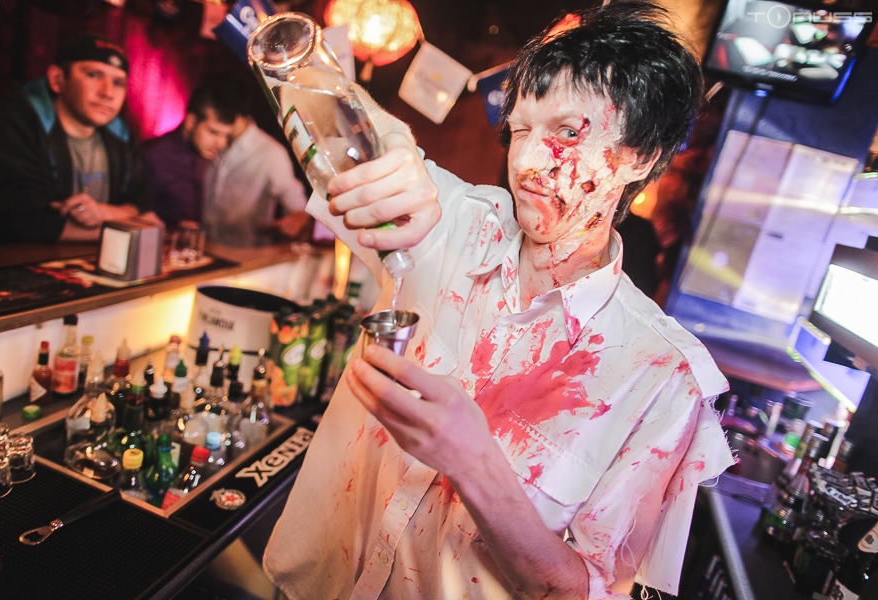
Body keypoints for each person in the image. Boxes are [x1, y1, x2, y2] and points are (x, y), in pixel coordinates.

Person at [263, 3, 734, 599]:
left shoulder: (662, 377)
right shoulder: (451, 223)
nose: (528, 163)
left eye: (567, 132)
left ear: (639, 154)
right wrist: (387, 138)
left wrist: (474, 464)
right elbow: (331, 117)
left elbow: (590, 589)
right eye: (520, 130)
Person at [0, 34, 160, 243]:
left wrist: (103, 212)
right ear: (57, 79)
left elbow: (142, 204)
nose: (108, 93)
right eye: (93, 75)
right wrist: (133, 226)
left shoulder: (121, 133)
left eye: (118, 82)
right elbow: (24, 220)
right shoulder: (13, 121)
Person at [141, 76, 246, 228]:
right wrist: (171, 229)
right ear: (190, 122)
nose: (221, 143)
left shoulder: (202, 155)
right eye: (213, 132)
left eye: (226, 136)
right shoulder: (153, 156)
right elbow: (135, 216)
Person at [202, 113, 310, 244]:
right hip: (205, 243)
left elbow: (295, 202)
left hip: (246, 248)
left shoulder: (270, 151)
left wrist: (298, 218)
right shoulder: (214, 141)